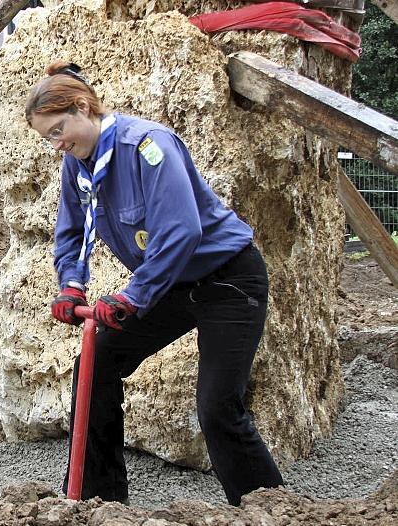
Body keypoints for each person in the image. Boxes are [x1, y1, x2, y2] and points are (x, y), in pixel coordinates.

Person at [25, 61, 284, 506]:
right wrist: (71, 284)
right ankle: (99, 502)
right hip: (172, 286)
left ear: (84, 107)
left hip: (228, 279)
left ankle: (269, 508)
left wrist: (132, 296)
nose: (57, 144)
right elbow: (69, 231)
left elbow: (181, 231)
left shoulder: (146, 146)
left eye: (58, 130)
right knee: (98, 362)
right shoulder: (76, 165)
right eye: (48, 136)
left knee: (218, 405)